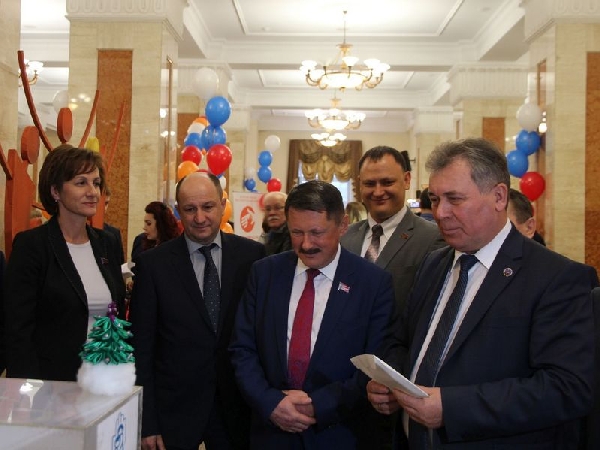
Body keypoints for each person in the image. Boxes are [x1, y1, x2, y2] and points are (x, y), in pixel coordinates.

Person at [367, 138, 599, 449]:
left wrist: (451, 408)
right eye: (435, 199)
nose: (440, 213)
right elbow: (404, 341)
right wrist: (390, 381)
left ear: (499, 197)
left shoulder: (557, 277)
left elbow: (567, 388)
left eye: (455, 199)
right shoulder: (434, 264)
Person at [230, 180, 395, 449]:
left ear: (342, 225)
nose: (306, 244)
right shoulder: (263, 274)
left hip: (339, 434)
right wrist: (271, 402)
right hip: (271, 433)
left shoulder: (373, 283)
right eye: (297, 232)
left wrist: (318, 405)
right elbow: (242, 349)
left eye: (317, 232)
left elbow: (376, 364)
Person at [131, 172, 265, 450]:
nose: (200, 218)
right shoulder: (152, 265)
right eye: (190, 209)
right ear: (178, 211)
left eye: (208, 207)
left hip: (236, 408)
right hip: (174, 410)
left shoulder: (253, 257)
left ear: (223, 205)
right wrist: (147, 421)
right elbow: (142, 348)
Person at [4, 145, 126, 381]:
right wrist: (30, 389)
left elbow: (116, 315)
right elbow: (17, 329)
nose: (92, 192)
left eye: (96, 183)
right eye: (81, 183)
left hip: (104, 380)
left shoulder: (107, 243)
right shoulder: (32, 246)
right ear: (55, 191)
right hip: (53, 384)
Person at [341, 146, 445, 315]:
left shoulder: (433, 239)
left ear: (406, 180)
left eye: (387, 182)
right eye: (369, 184)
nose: (378, 192)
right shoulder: (344, 237)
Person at [262, 191, 292, 255]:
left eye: (277, 208)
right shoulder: (266, 234)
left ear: (288, 210)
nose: (272, 213)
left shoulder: (293, 235)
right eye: (268, 209)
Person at [103, 186, 125, 264]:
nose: (104, 208)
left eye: (106, 203)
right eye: (101, 203)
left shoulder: (114, 233)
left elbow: (119, 264)